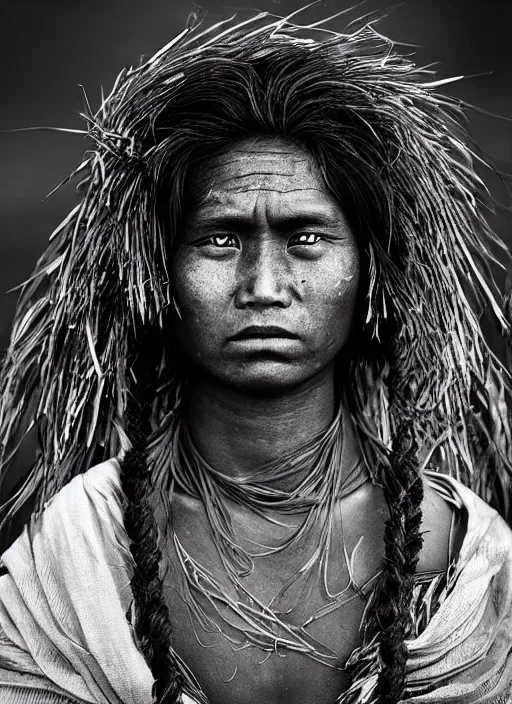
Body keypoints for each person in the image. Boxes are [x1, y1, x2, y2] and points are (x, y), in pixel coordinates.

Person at [0, 7, 511, 704]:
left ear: (369, 273)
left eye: (306, 237)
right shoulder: (73, 557)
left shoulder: (464, 558)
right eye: (220, 239)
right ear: (156, 273)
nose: (264, 287)